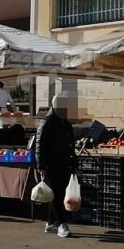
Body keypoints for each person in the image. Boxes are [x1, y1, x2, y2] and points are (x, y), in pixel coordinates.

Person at [35, 94, 78, 238]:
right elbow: (40, 145)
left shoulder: (64, 122)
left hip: (64, 163)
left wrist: (74, 163)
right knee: (57, 195)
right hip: (52, 164)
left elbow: (70, 145)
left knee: (55, 194)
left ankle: (51, 222)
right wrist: (41, 165)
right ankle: (61, 223)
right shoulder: (48, 122)